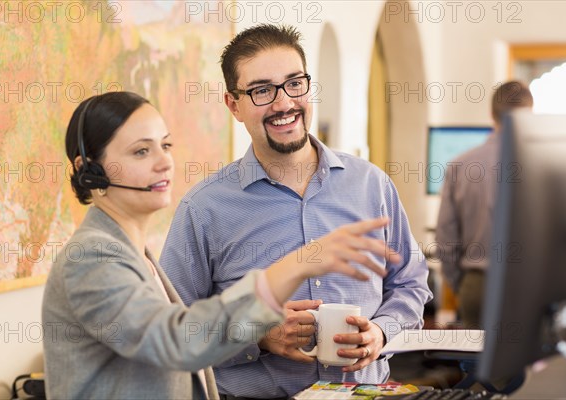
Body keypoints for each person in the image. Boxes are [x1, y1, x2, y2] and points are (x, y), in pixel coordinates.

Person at [41, 91, 397, 399]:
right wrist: (293, 267)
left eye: (165, 146)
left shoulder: (133, 252)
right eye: (140, 152)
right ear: (89, 168)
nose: (164, 162)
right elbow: (180, 341)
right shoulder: (91, 257)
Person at [160, 24, 433, 399]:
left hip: (365, 393)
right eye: (261, 91)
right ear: (233, 105)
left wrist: (382, 331)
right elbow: (174, 330)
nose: (284, 102)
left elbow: (410, 283)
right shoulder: (204, 208)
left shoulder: (372, 185)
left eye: (294, 83)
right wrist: (258, 336)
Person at [436, 81, 533, 328]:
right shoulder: (547, 164)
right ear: (530, 112)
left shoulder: (460, 166)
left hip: (478, 286)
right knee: (532, 365)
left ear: (492, 114)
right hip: (530, 287)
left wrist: (464, 284)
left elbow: (446, 240)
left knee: (478, 365)